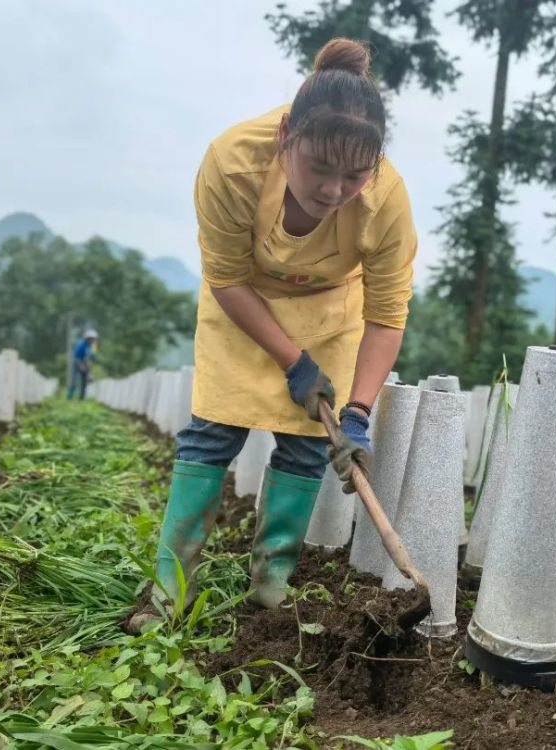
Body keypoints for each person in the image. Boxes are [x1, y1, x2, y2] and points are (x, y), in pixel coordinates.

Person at [127, 38, 417, 632]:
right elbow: (229, 279)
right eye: (320, 168)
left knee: (310, 444)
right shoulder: (233, 161)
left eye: (355, 175)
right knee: (212, 434)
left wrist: (358, 412)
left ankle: (270, 589)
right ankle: (168, 590)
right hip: (245, 304)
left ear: (376, 164)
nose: (335, 190)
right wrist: (293, 362)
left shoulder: (387, 200)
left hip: (331, 309)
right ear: (288, 134)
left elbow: (387, 315)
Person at [67, 329, 97, 400]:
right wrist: (81, 366)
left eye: (93, 339)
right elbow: (76, 357)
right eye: (90, 339)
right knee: (74, 380)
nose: (91, 341)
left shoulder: (93, 346)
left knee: (85, 380)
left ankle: (82, 397)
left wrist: (90, 372)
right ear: (86, 338)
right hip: (77, 361)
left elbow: (92, 357)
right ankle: (70, 396)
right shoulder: (81, 344)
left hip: (85, 362)